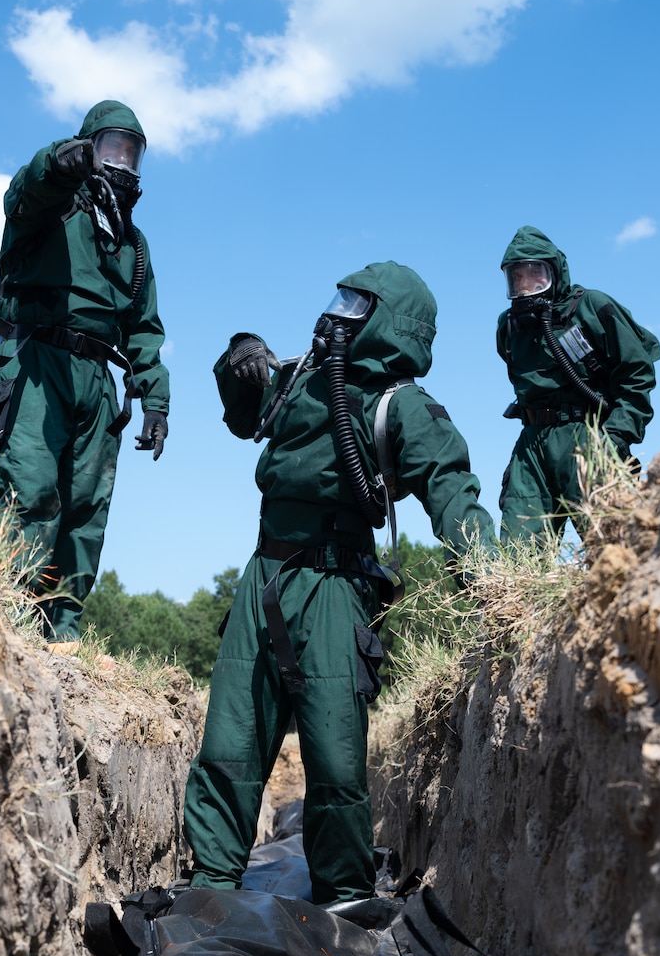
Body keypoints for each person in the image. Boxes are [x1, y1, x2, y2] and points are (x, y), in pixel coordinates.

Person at [184, 261, 495, 904]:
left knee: (333, 754)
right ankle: (210, 885)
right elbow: (245, 417)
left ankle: (344, 900)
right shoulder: (300, 376)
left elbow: (451, 485)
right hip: (263, 575)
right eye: (340, 296)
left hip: (335, 585)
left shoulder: (398, 404)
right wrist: (237, 358)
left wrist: (492, 573)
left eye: (356, 302)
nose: (336, 311)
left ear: (390, 322)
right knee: (231, 736)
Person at [0, 101, 169, 647]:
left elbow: (144, 327)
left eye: (133, 155)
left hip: (99, 379)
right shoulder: (52, 204)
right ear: (87, 146)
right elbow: (27, 190)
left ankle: (62, 634)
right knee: (30, 489)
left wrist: (155, 401)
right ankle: (6, 616)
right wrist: (57, 164)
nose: (123, 165)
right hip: (39, 361)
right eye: (112, 149)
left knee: (86, 509)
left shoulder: (132, 242)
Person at [496, 226, 660, 541]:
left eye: (535, 274)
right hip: (532, 446)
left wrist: (615, 438)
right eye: (516, 278)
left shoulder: (591, 308)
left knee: (613, 546)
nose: (525, 285)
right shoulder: (507, 327)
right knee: (518, 553)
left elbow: (638, 372)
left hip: (588, 438)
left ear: (555, 273)